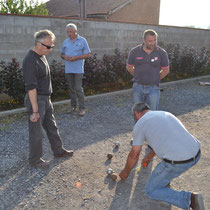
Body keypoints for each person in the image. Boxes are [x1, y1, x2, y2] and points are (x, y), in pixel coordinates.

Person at [119, 103, 205, 210]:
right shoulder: (164, 114)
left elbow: (134, 154)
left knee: (151, 190)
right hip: (196, 153)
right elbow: (163, 138)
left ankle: (190, 199)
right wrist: (149, 157)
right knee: (164, 166)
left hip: (180, 162)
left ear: (137, 113)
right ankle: (164, 182)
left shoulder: (140, 124)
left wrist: (125, 172)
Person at [23, 29, 74, 169]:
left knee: (52, 126)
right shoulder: (30, 60)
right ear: (38, 44)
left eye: (52, 46)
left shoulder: (42, 55)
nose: (50, 49)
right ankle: (35, 160)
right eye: (48, 46)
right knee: (36, 131)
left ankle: (58, 150)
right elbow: (31, 88)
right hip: (36, 100)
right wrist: (35, 111)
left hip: (45, 98)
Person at [127, 29, 169, 110]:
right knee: (139, 113)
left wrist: (155, 78)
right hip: (138, 88)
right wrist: (139, 76)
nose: (153, 43)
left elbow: (165, 70)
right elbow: (129, 67)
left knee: (153, 114)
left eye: (155, 40)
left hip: (154, 88)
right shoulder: (134, 52)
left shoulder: (162, 53)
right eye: (150, 41)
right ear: (143, 40)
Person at [61, 23, 91, 116]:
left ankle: (82, 108)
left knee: (78, 88)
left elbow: (88, 54)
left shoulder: (82, 40)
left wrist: (76, 58)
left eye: (70, 32)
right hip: (68, 69)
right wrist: (64, 56)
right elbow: (61, 54)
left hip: (78, 69)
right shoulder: (65, 42)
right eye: (67, 32)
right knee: (71, 89)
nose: (69, 34)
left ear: (75, 31)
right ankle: (73, 106)